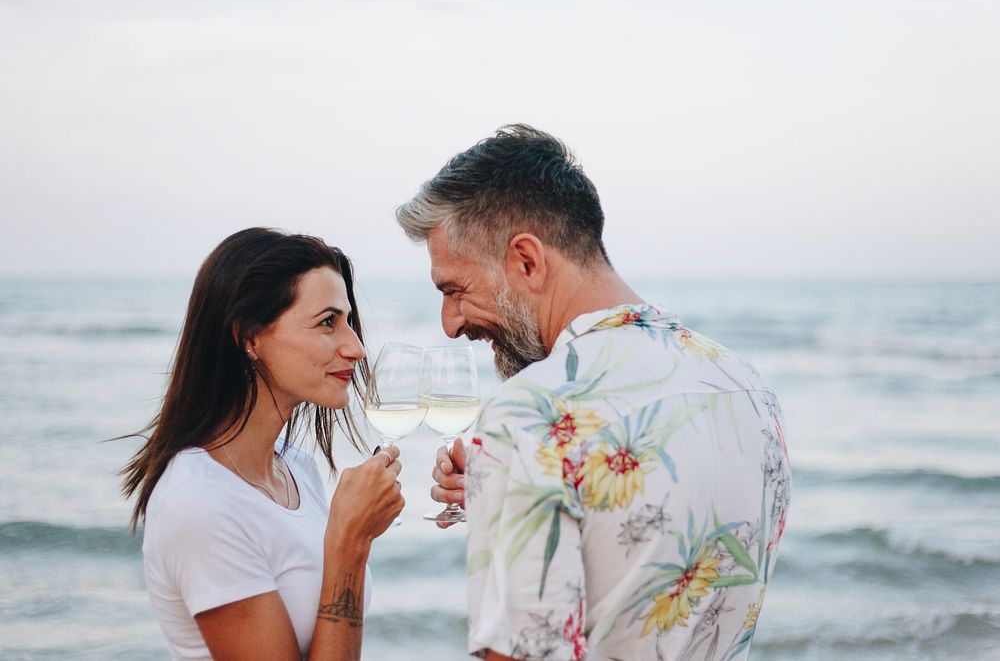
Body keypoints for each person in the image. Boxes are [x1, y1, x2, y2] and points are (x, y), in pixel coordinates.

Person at [396, 125, 792, 661]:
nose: (450, 324)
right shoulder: (746, 387)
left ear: (527, 261)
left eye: (454, 290)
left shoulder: (529, 415)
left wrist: (516, 471)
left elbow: (522, 653)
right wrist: (504, 493)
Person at [121, 228, 404, 660]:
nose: (357, 348)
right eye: (328, 322)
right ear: (250, 337)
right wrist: (349, 543)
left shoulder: (297, 469)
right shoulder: (198, 503)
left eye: (348, 321)